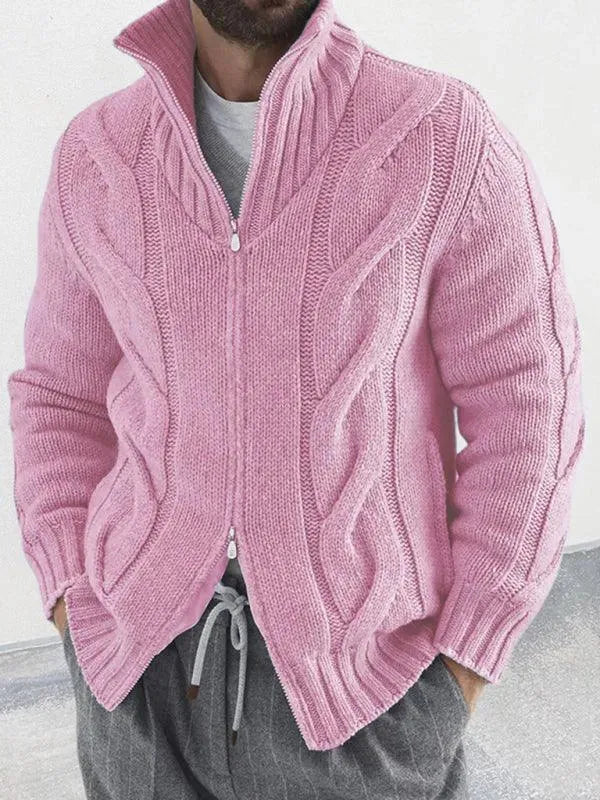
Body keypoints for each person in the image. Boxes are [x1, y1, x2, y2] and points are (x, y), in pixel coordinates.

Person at [6, 0, 585, 797]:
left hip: (367, 696)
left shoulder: (444, 136)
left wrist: (465, 662)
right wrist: (71, 597)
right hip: (135, 681)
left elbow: (530, 408)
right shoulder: (97, 153)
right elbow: (59, 396)